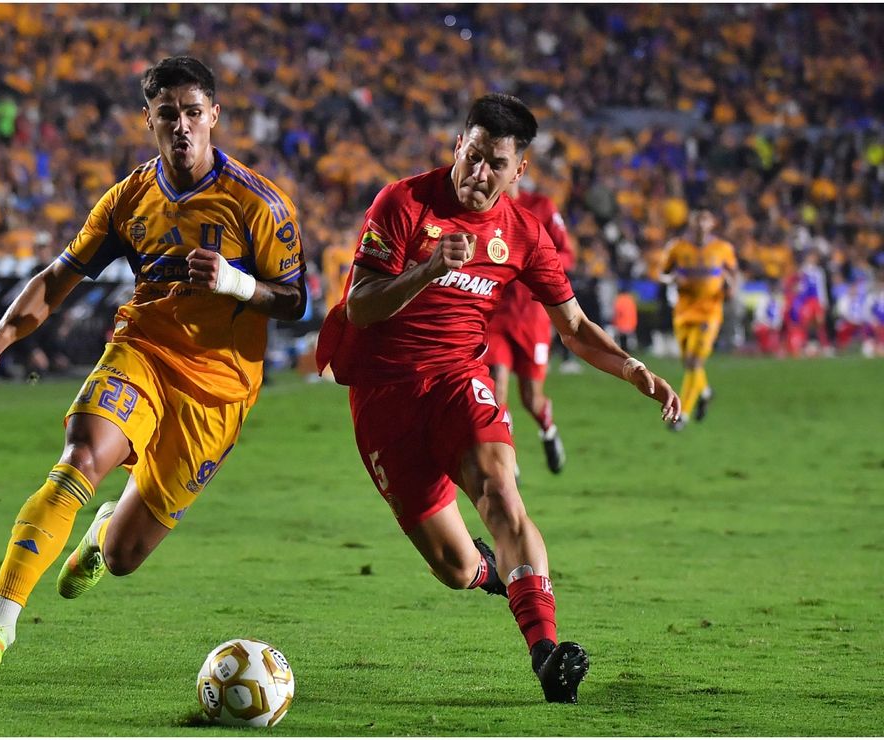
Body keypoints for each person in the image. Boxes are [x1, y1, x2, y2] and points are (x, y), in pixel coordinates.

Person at [315, 94, 680, 704]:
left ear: (519, 171)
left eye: (496, 163)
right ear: (458, 144)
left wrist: (634, 369)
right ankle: (488, 572)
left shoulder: (525, 234)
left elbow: (575, 326)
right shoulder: (403, 203)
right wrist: (429, 269)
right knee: (455, 569)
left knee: (501, 489)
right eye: (473, 154)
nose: (479, 172)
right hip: (386, 399)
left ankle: (545, 654)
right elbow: (360, 305)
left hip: (460, 380)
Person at [0, 57, 307, 677]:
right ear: (147, 119)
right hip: (141, 352)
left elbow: (296, 299)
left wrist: (236, 283)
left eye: (193, 113)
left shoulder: (259, 204)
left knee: (123, 555)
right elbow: (57, 277)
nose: (181, 126)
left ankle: (101, 534)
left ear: (214, 116)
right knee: (79, 459)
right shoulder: (128, 199)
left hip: (218, 389)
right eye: (167, 114)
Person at [483, 177, 575, 474]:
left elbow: (567, 256)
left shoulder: (541, 207)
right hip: (494, 315)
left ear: (517, 171)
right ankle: (509, 462)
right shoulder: (482, 207)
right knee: (496, 390)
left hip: (532, 317)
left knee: (531, 399)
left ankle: (548, 430)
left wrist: (530, 258)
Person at [660, 209, 739, 430]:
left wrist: (731, 287)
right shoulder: (676, 247)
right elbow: (662, 274)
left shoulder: (723, 249)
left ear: (712, 223)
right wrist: (672, 279)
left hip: (709, 312)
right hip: (684, 312)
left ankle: (682, 414)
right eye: (697, 219)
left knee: (695, 362)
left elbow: (733, 275)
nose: (701, 224)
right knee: (688, 363)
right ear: (691, 223)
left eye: (705, 219)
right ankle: (704, 392)